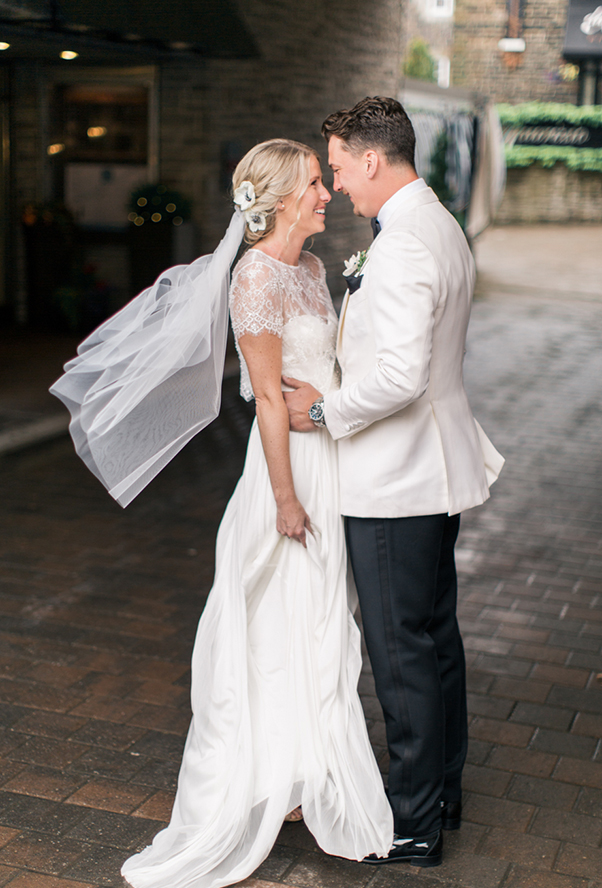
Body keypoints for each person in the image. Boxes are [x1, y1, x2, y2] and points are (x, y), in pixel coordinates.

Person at [120, 138, 393, 888]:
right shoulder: (255, 278)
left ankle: (307, 777)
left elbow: (323, 378)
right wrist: (283, 499)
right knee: (275, 617)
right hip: (289, 474)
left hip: (329, 462)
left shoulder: (309, 269)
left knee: (323, 620)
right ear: (279, 199)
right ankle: (266, 774)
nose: (326, 195)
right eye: (315, 183)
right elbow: (268, 396)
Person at [284, 98, 504, 867]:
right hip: (431, 475)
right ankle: (441, 792)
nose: (339, 185)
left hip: (394, 480)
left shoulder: (406, 243)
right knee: (434, 639)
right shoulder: (435, 223)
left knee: (401, 651)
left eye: (340, 168)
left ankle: (411, 824)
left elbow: (402, 376)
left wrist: (322, 410)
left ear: (372, 160)